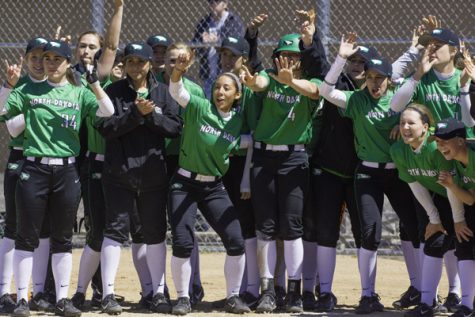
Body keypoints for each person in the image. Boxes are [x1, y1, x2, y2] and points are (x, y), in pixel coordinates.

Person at [1, 40, 114, 317]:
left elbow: (108, 112)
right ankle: (22, 300)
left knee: (63, 237)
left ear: (67, 63)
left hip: (67, 170)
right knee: (26, 237)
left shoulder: (78, 93)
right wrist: (9, 86)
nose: (50, 63)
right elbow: (6, 116)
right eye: (47, 58)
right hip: (34, 169)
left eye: (57, 59)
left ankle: (62, 299)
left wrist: (94, 84)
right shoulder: (29, 88)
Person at [319, 33, 421, 314]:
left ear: (389, 80)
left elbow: (419, 110)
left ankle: (423, 292)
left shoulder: (398, 102)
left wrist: (404, 125)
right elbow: (326, 91)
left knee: (415, 228)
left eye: (380, 78)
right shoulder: (356, 100)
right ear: (365, 78)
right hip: (366, 174)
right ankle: (367, 295)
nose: (375, 83)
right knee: (370, 233)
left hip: (397, 173)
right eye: (371, 77)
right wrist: (340, 58)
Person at [390, 27, 475, 311]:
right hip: (431, 164)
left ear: (454, 50)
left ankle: (458, 294)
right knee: (435, 233)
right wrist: (417, 72)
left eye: (438, 45)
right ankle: (431, 299)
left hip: (462, 165)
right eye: (429, 44)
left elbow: (470, 123)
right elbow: (396, 104)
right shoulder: (424, 80)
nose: (432, 48)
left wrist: (466, 86)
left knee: (461, 233)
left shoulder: (464, 80)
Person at [96, 42, 182, 315]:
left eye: (140, 62)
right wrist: (135, 113)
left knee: (154, 233)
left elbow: (174, 127)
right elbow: (106, 128)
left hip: (152, 174)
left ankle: (157, 293)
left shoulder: (162, 91)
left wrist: (150, 116)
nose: (135, 67)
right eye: (130, 61)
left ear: (149, 64)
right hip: (119, 174)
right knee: (115, 231)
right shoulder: (114, 91)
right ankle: (108, 294)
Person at [168, 50, 252, 315]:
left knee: (236, 240)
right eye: (217, 87)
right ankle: (183, 298)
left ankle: (233, 297)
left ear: (236, 95)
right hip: (184, 183)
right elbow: (177, 92)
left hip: (213, 186)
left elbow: (247, 141)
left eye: (226, 88)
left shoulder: (238, 121)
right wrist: (179, 71)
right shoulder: (199, 107)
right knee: (182, 241)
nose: (220, 92)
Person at [240, 33, 320, 313]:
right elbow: (259, 82)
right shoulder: (269, 78)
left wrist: (292, 81)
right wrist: (252, 81)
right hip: (264, 157)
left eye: (295, 56)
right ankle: (268, 291)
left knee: (292, 227)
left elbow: (313, 91)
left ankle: (295, 292)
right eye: (283, 55)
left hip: (293, 158)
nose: (288, 60)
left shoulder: (310, 81)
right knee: (265, 226)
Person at [390, 106, 465, 317]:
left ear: (425, 127)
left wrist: (458, 220)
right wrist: (434, 218)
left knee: (463, 246)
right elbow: (416, 185)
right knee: (434, 243)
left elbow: (453, 186)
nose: (405, 127)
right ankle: (427, 303)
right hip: (441, 197)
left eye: (411, 123)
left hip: (462, 197)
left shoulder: (435, 148)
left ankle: (462, 300)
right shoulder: (398, 151)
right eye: (402, 122)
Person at [0, 37, 52, 314]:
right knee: (14, 225)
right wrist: (37, 107)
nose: (39, 62)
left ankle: (40, 290)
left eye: (44, 56)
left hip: (49, 163)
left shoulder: (57, 85)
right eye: (33, 56)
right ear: (26, 59)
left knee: (43, 229)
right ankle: (4, 292)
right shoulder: (18, 85)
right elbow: (12, 128)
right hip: (21, 159)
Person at [435, 118, 475, 317]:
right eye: (438, 141)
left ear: (460, 140)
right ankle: (467, 305)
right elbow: (469, 199)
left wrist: (452, 186)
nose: (441, 145)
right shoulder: (456, 162)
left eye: (445, 140)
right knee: (464, 243)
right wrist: (451, 186)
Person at [192, 0, 244, 98]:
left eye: (216, 1)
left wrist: (218, 43)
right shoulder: (204, 23)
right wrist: (203, 46)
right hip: (209, 75)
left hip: (228, 72)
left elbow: (236, 46)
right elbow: (195, 51)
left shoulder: (233, 22)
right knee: (209, 103)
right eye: (211, 1)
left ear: (225, 3)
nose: (213, 4)